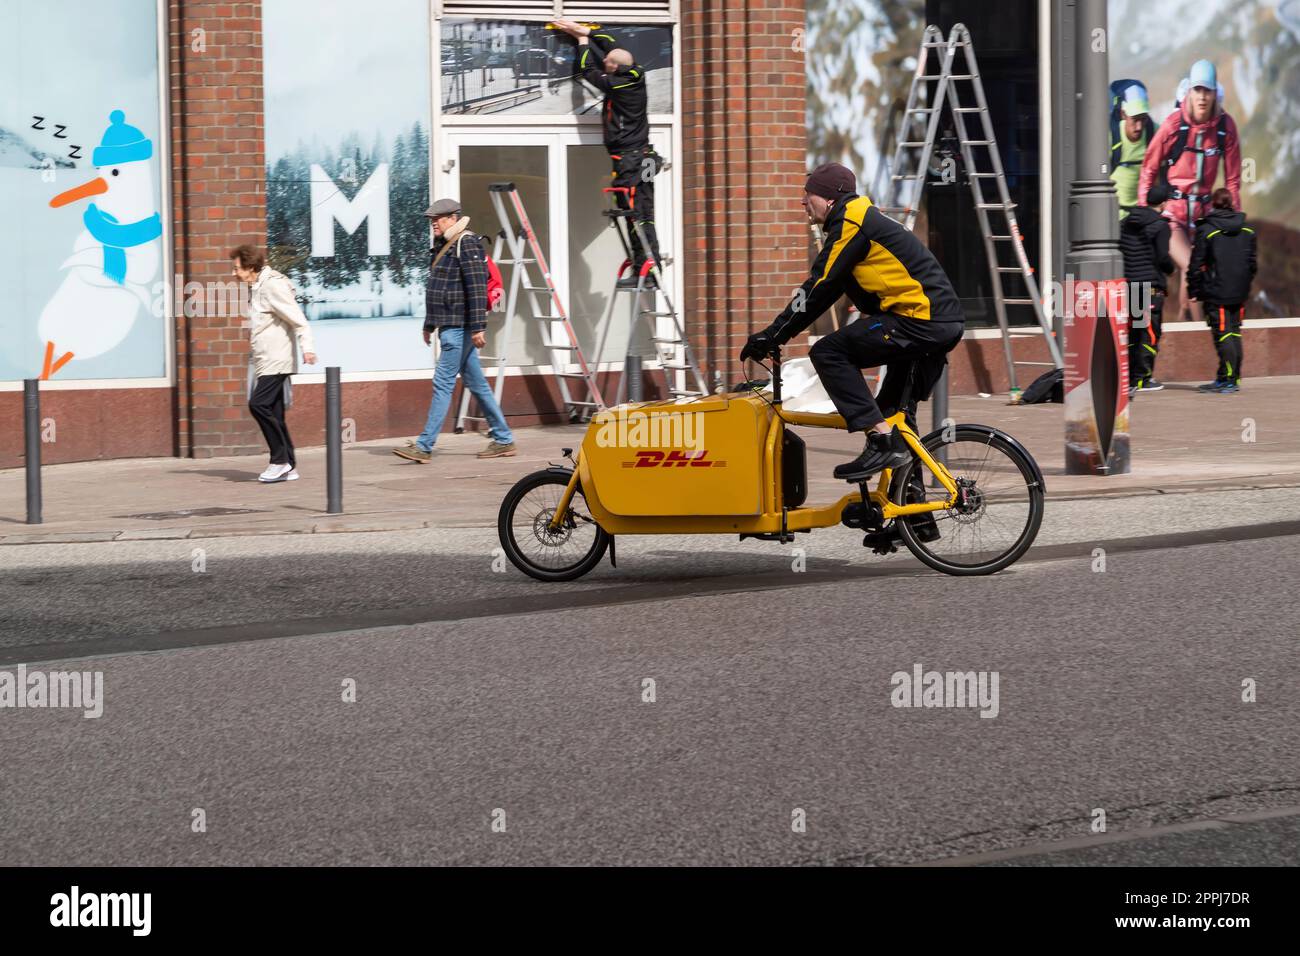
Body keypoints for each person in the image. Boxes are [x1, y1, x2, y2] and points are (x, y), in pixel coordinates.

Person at [741, 163, 965, 482]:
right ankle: (913, 518)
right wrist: (777, 335)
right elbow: (831, 288)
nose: (803, 202)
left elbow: (818, 286)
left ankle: (881, 440)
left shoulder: (852, 222)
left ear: (830, 198)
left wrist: (773, 335)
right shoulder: (859, 221)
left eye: (809, 195)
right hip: (935, 322)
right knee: (893, 415)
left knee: (829, 352)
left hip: (921, 321)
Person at [394, 198, 516, 462]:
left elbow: (476, 287)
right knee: (477, 383)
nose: (433, 224)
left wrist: (478, 327)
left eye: (437, 219)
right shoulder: (443, 245)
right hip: (449, 325)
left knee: (442, 383)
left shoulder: (467, 242)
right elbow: (438, 290)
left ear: (452, 217)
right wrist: (429, 325)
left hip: (459, 327)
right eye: (431, 220)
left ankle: (424, 446)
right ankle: (503, 438)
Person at [551, 17, 663, 286]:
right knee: (644, 212)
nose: (605, 64)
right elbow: (615, 46)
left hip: (630, 161)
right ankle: (646, 268)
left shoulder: (617, 84)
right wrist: (588, 31)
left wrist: (581, 41)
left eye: (609, 64)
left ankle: (647, 269)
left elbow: (586, 70)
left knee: (636, 214)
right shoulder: (636, 73)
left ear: (615, 68)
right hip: (644, 157)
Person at [1138, 59, 1241, 326]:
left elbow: (1233, 180)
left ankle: (1184, 336)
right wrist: (1144, 211)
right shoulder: (1174, 124)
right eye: (1197, 90)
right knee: (1196, 267)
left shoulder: (1224, 127)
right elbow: (1149, 167)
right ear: (1190, 92)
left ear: (1215, 92)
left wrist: (1235, 220)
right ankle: (1205, 346)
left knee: (1192, 284)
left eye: (1207, 90)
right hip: (1173, 216)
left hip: (1203, 216)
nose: (1202, 97)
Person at [231, 244, 316, 483]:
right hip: (266, 359)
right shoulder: (257, 287)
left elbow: (299, 320)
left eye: (237, 268)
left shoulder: (272, 286)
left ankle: (279, 460)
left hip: (276, 360)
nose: (234, 272)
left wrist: (307, 349)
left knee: (258, 405)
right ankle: (289, 465)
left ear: (250, 267)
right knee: (276, 414)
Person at [1188, 188, 1256, 394]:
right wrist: (1244, 282)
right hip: (1240, 290)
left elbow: (1195, 264)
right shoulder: (1247, 230)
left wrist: (1194, 288)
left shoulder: (1207, 230)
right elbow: (1252, 264)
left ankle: (1228, 380)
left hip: (1217, 291)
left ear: (1213, 204)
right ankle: (1229, 377)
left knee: (1223, 334)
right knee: (1234, 332)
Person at [1120, 183, 1175, 393]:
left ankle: (1131, 377)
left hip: (1129, 284)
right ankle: (1143, 379)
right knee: (1149, 332)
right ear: (1162, 203)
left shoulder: (1126, 222)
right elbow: (1162, 257)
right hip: (1150, 286)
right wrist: (1171, 270)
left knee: (1134, 331)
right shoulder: (1161, 226)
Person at [1110, 82, 1154, 219]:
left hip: (1142, 216)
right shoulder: (1111, 136)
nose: (1139, 126)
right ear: (1123, 114)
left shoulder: (1154, 132)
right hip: (1114, 216)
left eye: (1143, 119)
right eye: (1135, 120)